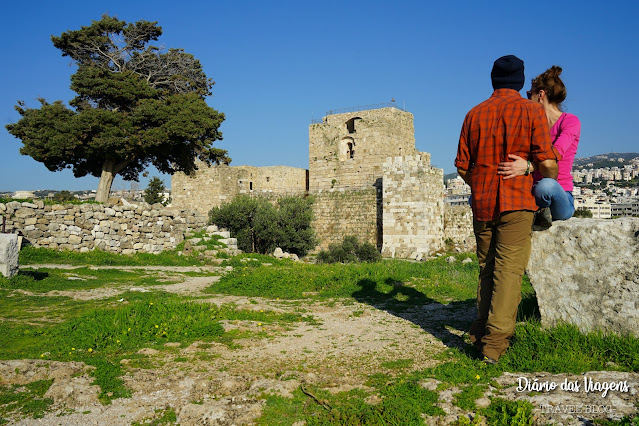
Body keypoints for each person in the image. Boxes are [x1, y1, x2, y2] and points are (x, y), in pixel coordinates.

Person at [455, 55, 558, 364]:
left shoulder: (474, 114)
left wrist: (482, 181)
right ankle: (494, 344)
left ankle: (479, 331)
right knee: (508, 271)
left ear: (493, 80)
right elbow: (548, 164)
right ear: (520, 81)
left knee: (487, 268)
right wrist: (528, 167)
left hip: (483, 203)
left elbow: (462, 166)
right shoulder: (532, 112)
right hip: (517, 202)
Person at [497, 66, 580, 226]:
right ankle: (539, 212)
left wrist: (529, 166)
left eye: (529, 94)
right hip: (531, 192)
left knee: (546, 186)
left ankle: (541, 211)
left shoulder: (570, 121)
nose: (527, 98)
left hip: (559, 193)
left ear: (540, 94)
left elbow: (555, 154)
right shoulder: (532, 124)